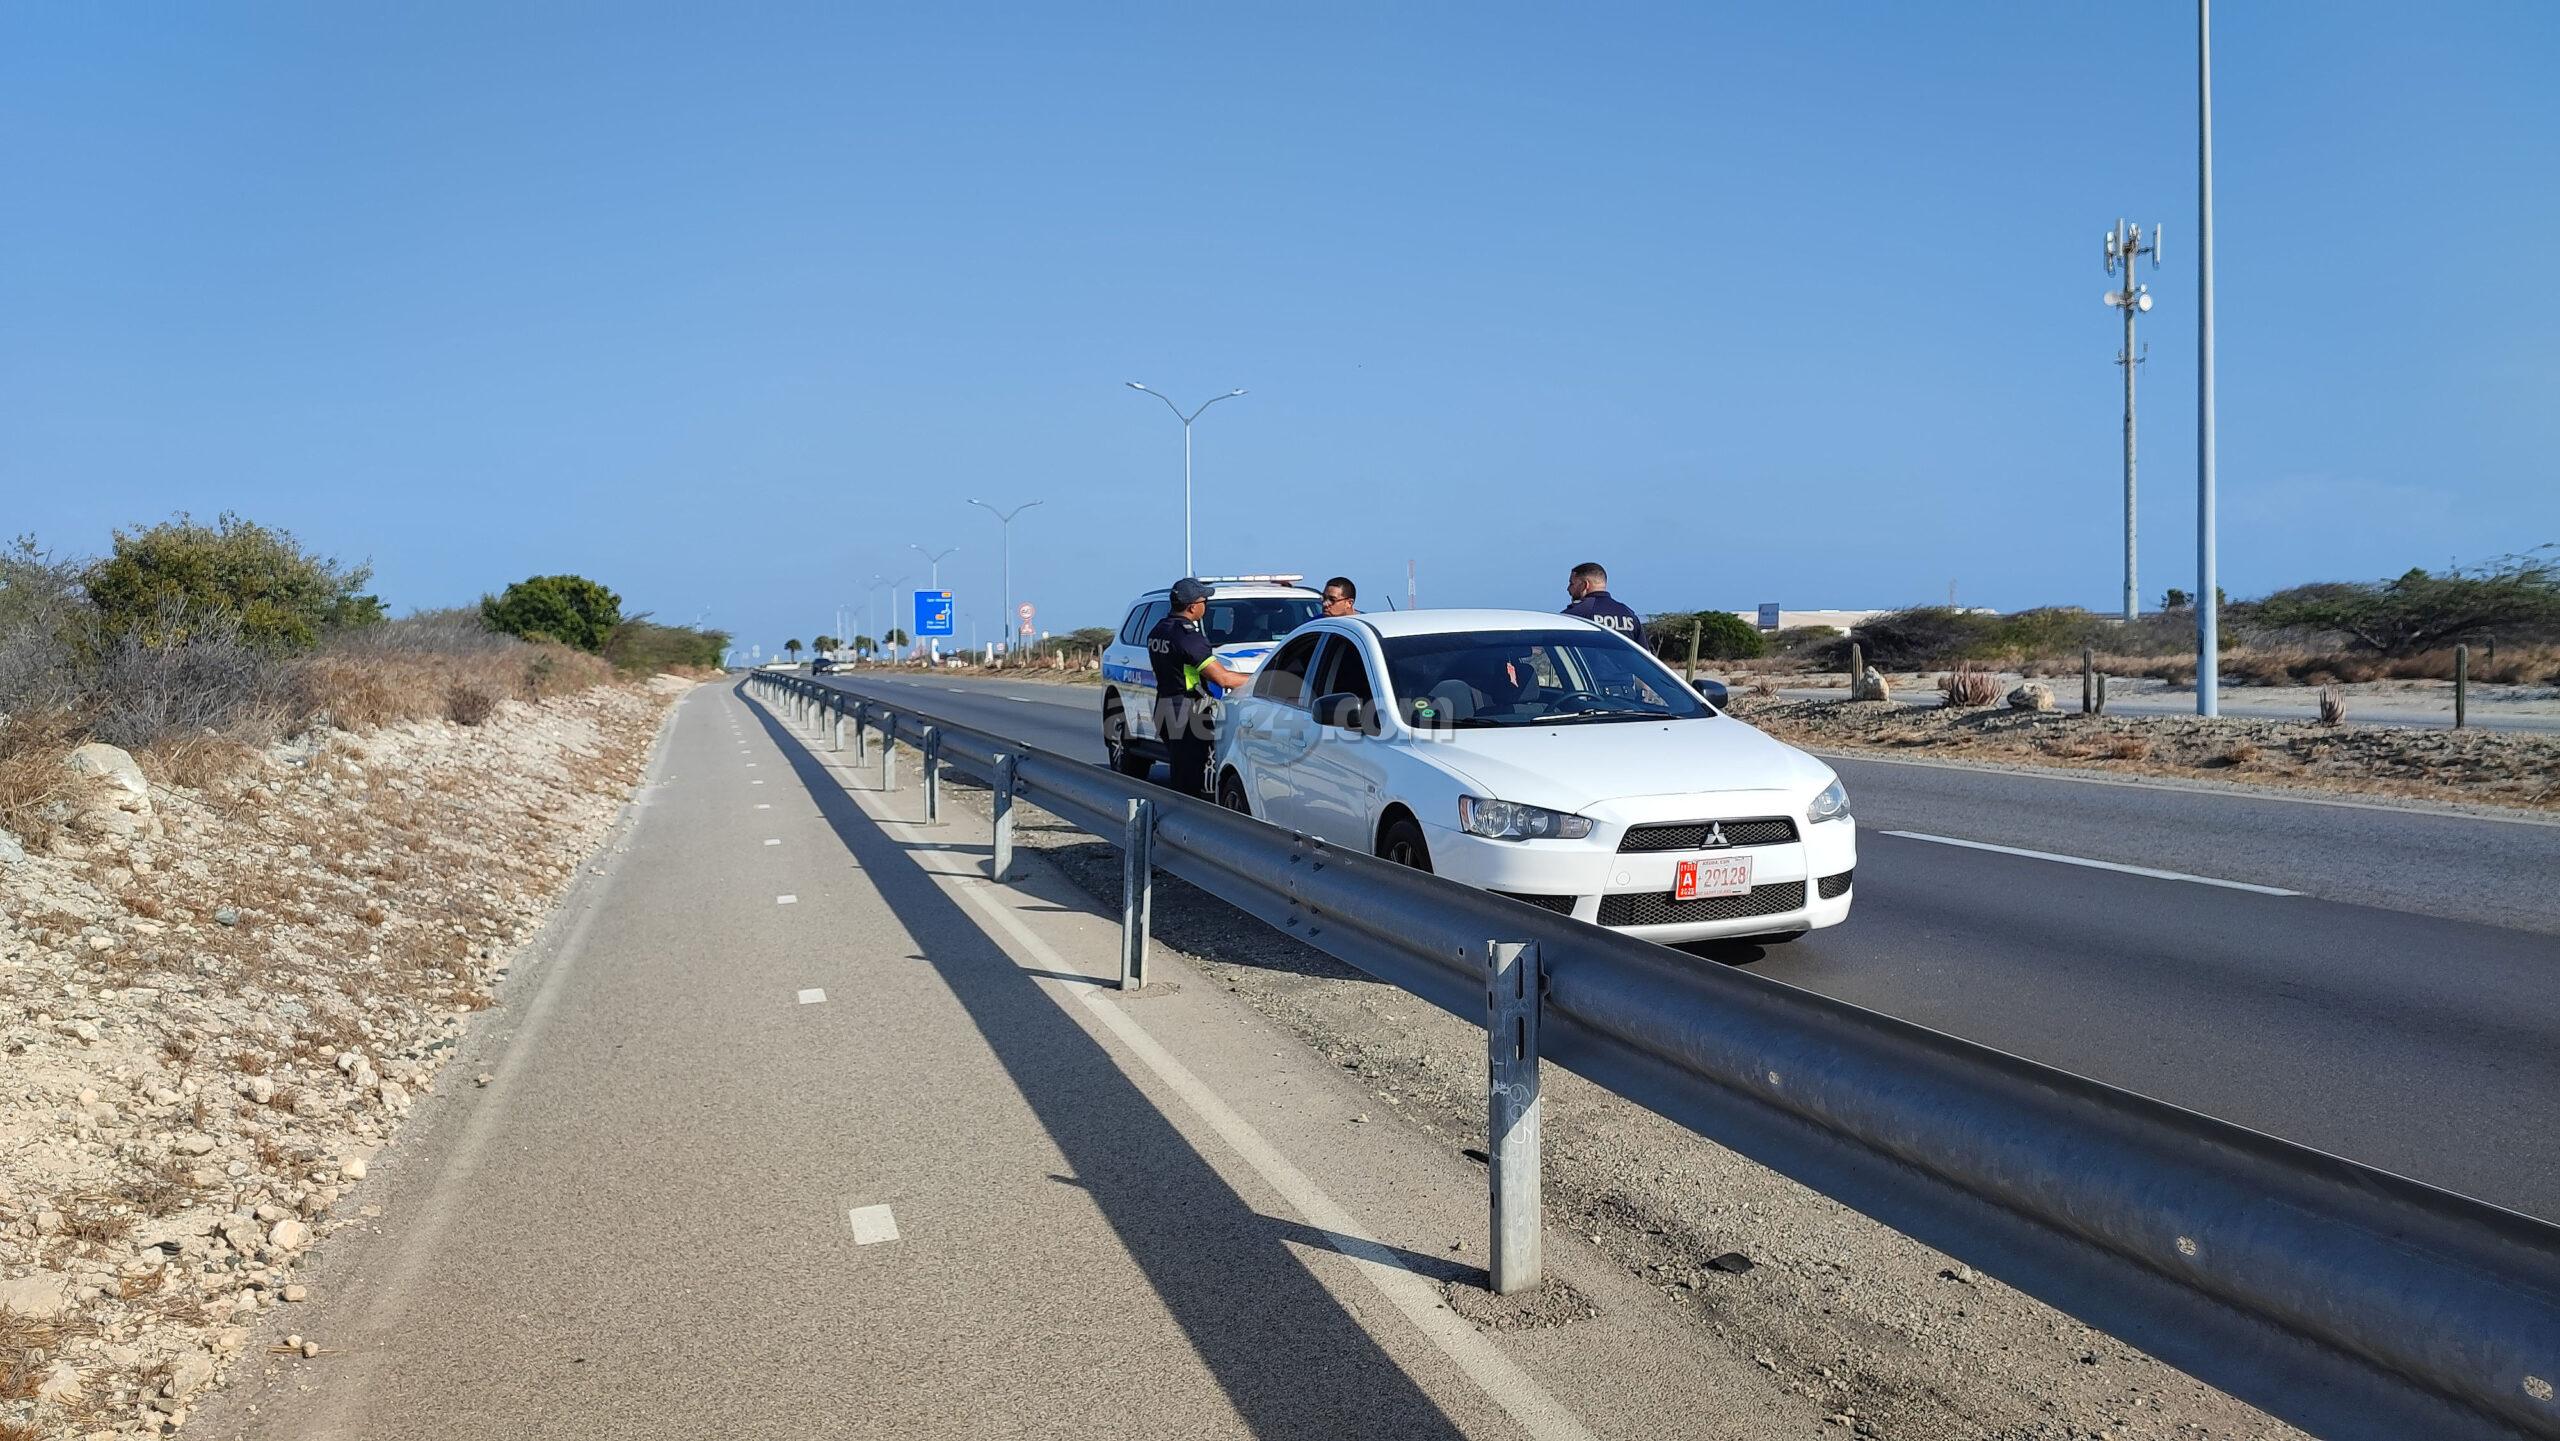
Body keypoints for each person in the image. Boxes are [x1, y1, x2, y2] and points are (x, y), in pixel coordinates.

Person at [1147, 577, 1257, 800]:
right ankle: (1185, 818)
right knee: (1189, 781)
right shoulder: (1188, 638)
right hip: (1187, 712)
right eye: (1204, 601)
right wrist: (1262, 680)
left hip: (1165, 706)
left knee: (1180, 770)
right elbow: (1223, 679)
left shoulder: (1159, 629)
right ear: (1192, 607)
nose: (1206, 605)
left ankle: (1179, 811)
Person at [1563, 562, 1644, 646]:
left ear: (1585, 585)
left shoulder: (1574, 615)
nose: (1568, 589)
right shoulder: (1629, 615)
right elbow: (1643, 652)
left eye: (1571, 584)